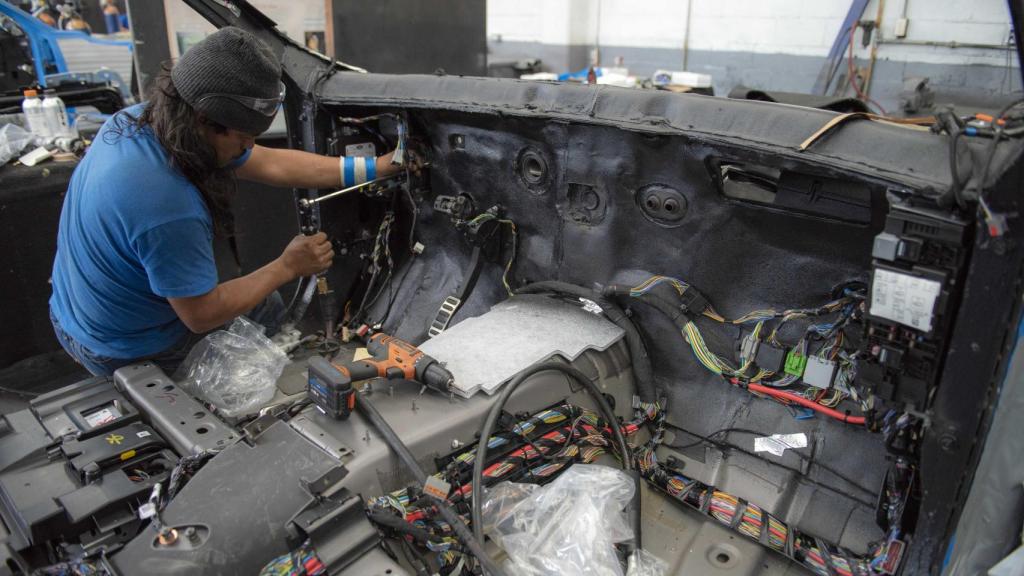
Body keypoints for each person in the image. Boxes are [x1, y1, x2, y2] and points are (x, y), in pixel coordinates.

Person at [49, 27, 399, 376]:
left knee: (261, 301)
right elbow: (201, 316)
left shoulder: (139, 122)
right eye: (244, 137)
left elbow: (272, 163)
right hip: (124, 350)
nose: (249, 146)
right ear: (204, 119)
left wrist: (377, 167)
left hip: (75, 316)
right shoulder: (166, 202)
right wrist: (287, 267)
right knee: (265, 327)